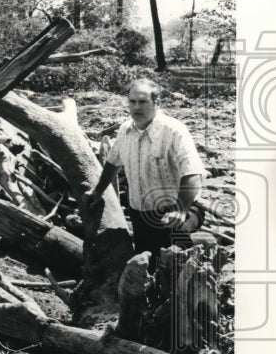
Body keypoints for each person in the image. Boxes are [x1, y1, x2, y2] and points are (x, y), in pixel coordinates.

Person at [82, 78, 207, 263]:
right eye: (132, 102)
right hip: (140, 215)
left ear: (156, 103)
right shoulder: (125, 131)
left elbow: (192, 173)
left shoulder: (174, 131)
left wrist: (180, 210)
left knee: (176, 266)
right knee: (146, 265)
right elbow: (112, 162)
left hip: (172, 213)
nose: (136, 107)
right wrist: (98, 191)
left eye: (142, 102)